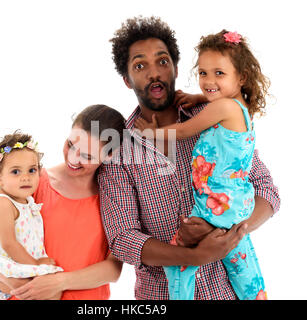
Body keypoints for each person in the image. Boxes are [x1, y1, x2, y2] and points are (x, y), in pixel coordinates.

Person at [98, 16, 280, 300]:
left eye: (162, 61)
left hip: (227, 291)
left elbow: (266, 190)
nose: (154, 73)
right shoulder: (118, 149)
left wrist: (223, 228)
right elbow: (123, 239)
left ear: (175, 68)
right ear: (126, 79)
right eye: (139, 66)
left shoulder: (215, 119)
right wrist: (191, 256)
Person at [0, 104, 125, 300]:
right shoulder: (34, 184)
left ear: (110, 155)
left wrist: (59, 282)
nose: (73, 158)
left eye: (86, 155)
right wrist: (10, 282)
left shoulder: (115, 199)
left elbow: (113, 269)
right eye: (71, 145)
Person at [0, 131, 63, 298]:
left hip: (21, 263)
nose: (25, 177)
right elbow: (8, 243)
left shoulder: (26, 200)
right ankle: (3, 285)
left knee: (54, 289)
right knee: (49, 292)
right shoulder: (3, 203)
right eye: (16, 172)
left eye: (32, 170)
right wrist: (36, 265)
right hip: (8, 268)